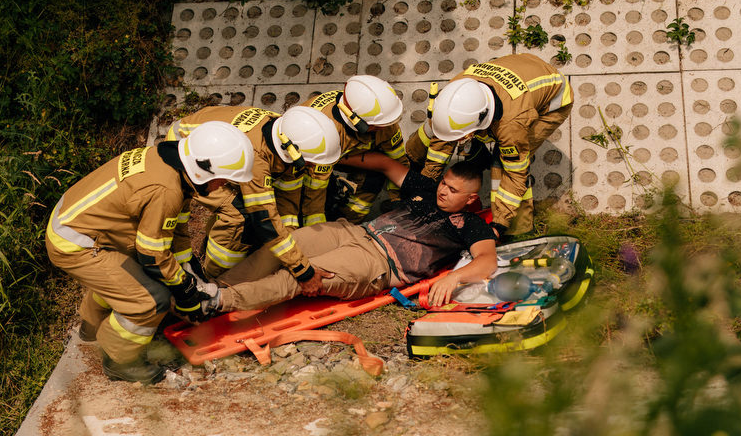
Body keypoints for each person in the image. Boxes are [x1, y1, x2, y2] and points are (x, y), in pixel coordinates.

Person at [45, 121, 254, 384]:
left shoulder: (169, 165)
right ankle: (120, 360)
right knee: (151, 299)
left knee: (128, 278)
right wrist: (185, 291)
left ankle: (91, 325)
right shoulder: (166, 190)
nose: (222, 187)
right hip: (75, 243)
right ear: (203, 170)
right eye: (222, 180)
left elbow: (173, 232)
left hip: (80, 223)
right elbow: (153, 256)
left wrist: (190, 271)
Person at [192, 153, 498, 316]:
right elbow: (385, 164)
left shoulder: (471, 225)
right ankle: (207, 289)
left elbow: (487, 262)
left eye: (453, 190)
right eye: (444, 183)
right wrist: (325, 157)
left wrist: (451, 278)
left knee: (302, 276)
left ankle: (218, 301)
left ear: (471, 199)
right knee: (287, 244)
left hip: (379, 263)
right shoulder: (428, 189)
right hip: (352, 232)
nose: (443, 191)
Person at [165, 105, 341, 292]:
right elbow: (264, 219)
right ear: (292, 151)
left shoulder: (287, 135)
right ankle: (214, 279)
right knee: (238, 214)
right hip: (190, 152)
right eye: (309, 162)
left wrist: (292, 247)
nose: (311, 166)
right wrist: (302, 270)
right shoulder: (256, 157)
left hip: (220, 150)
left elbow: (288, 202)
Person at [405, 53, 573, 237]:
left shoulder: (511, 125)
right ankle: (421, 170)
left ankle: (517, 230)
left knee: (501, 165)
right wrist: (426, 184)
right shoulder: (456, 92)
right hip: (523, 68)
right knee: (433, 130)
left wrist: (498, 225)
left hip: (553, 99)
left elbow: (516, 174)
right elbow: (443, 137)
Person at [280, 75, 409, 227]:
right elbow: (315, 191)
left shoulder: (379, 117)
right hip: (311, 159)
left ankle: (347, 223)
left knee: (372, 180)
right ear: (355, 120)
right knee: (314, 199)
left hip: (345, 153)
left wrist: (400, 201)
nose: (386, 127)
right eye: (379, 125)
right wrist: (318, 231)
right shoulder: (322, 135)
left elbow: (399, 160)